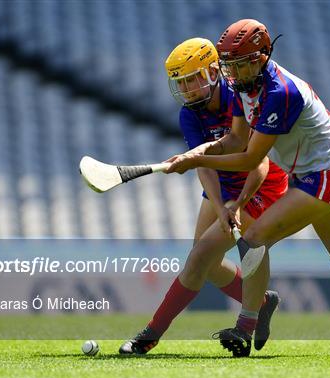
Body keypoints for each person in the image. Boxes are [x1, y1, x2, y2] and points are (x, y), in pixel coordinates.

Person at [165, 20, 330, 357]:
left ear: (262, 56)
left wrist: (195, 163)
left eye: (240, 64)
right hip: (310, 175)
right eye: (229, 65)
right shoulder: (244, 86)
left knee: (254, 239)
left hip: (327, 175)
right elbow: (234, 139)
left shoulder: (280, 93)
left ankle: (245, 327)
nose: (232, 73)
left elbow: (250, 157)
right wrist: (199, 152)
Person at [119, 37, 288, 355]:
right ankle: (263, 303)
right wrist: (220, 200)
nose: (186, 91)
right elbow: (203, 165)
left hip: (261, 185)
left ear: (213, 72)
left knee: (198, 259)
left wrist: (235, 204)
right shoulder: (190, 115)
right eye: (180, 85)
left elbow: (259, 164)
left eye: (191, 81)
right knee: (207, 263)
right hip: (225, 185)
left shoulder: (240, 99)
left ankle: (150, 335)